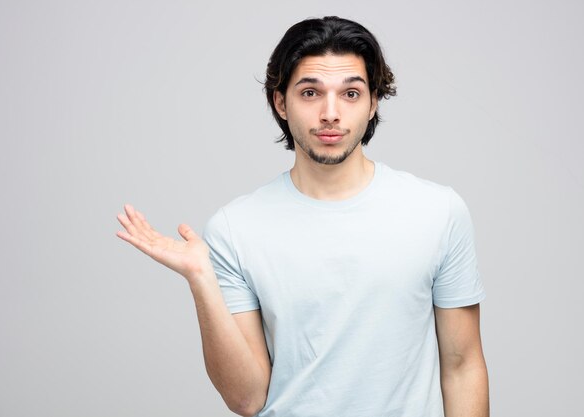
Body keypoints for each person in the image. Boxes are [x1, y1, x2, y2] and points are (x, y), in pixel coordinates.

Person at [116, 16, 489, 417]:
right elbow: (247, 398)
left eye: (350, 93)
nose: (331, 113)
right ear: (281, 102)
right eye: (310, 92)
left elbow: (463, 366)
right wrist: (201, 280)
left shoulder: (438, 212)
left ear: (373, 101)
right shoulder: (235, 229)